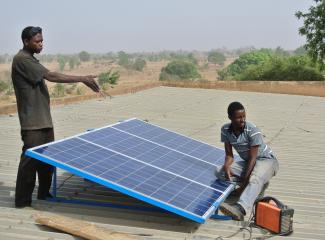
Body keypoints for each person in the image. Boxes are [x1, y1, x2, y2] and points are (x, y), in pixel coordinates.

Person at [12, 26, 100, 208]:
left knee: (46, 162)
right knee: (29, 163)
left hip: (43, 120)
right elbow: (51, 76)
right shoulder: (22, 60)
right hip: (32, 124)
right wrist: (82, 78)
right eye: (37, 41)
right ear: (26, 41)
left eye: (42, 40)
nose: (41, 44)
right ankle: (22, 202)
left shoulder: (31, 59)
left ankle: (44, 194)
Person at [215, 102, 279, 220]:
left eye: (244, 116)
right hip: (249, 162)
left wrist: (243, 186)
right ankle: (257, 185)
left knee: (254, 178)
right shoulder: (225, 129)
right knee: (220, 171)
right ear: (230, 118)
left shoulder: (252, 130)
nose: (242, 119)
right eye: (239, 117)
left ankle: (240, 208)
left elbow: (252, 159)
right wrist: (227, 165)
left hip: (267, 161)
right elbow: (229, 155)